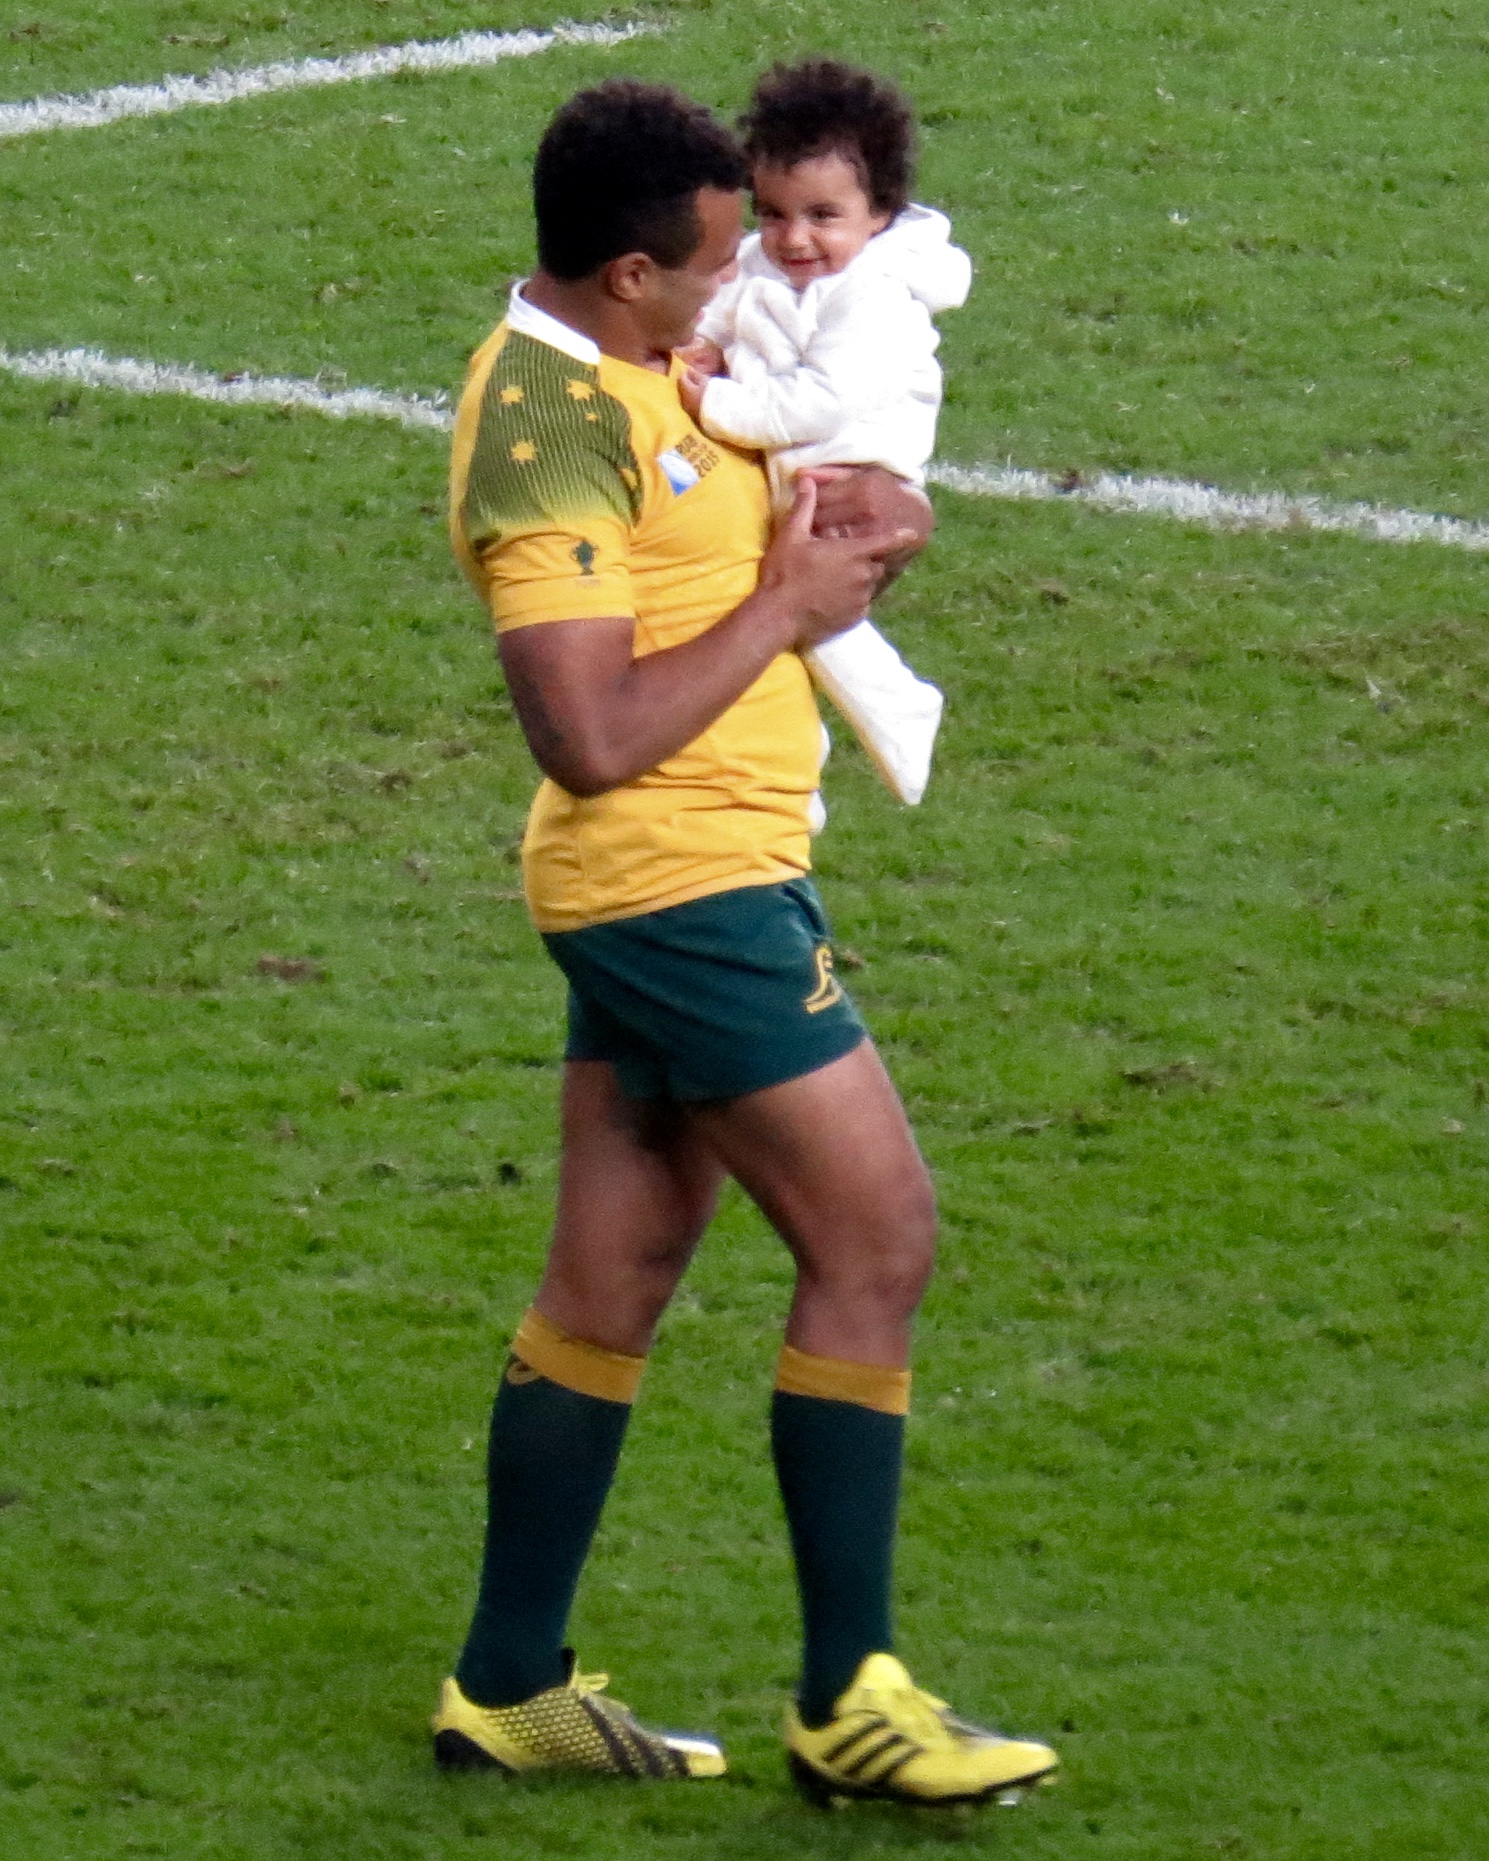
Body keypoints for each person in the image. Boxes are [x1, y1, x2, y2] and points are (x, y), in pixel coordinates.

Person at [432, 76, 1059, 1809]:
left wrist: (860, 542)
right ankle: (850, 1698)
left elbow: (743, 557)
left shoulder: (645, 364)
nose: (745, 280)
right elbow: (586, 733)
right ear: (629, 270)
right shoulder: (544, 424)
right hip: (673, 886)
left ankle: (507, 1685)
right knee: (878, 1234)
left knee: (612, 1276)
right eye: (714, 261)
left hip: (708, 870)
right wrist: (786, 605)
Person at [680, 58, 972, 810]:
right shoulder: (764, 262)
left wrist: (713, 401)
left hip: (851, 477)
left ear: (880, 213)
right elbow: (726, 303)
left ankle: (894, 713)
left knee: (797, 605)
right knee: (770, 609)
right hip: (798, 472)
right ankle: (798, 756)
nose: (794, 238)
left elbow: (817, 403)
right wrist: (703, 341)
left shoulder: (874, 297)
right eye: (773, 213)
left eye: (821, 215)